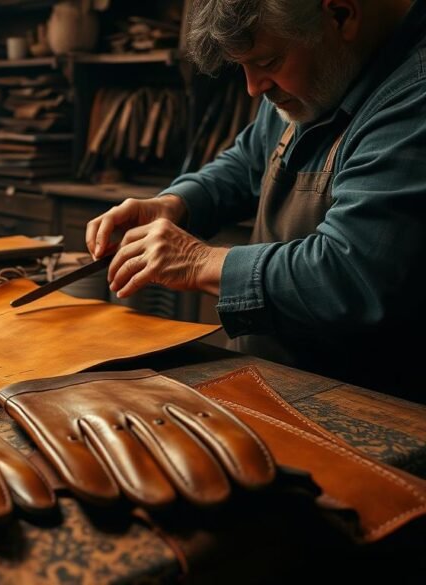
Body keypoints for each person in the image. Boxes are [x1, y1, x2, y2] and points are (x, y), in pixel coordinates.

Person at [86, 0, 426, 395]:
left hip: (368, 406)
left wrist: (199, 261)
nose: (253, 87)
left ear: (340, 15)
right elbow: (248, 161)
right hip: (273, 378)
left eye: (267, 62)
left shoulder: (414, 94)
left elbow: (352, 275)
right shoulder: (317, 69)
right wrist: (177, 204)